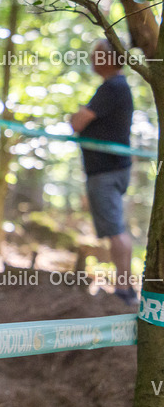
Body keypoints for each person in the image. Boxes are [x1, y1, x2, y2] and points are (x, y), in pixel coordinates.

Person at [70, 39, 137, 306]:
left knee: (115, 230)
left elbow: (79, 121)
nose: (91, 59)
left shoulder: (113, 87)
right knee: (115, 228)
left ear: (109, 58)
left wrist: (74, 119)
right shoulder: (114, 87)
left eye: (96, 55)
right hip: (111, 169)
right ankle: (124, 286)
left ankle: (124, 289)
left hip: (107, 172)